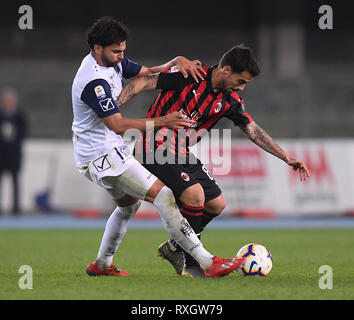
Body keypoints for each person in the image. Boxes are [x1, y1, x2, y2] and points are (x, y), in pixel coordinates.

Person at [115, 44, 311, 277]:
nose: (242, 87)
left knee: (216, 204)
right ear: (226, 70)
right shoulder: (189, 75)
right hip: (153, 146)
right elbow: (145, 82)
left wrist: (286, 157)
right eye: (241, 81)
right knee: (195, 195)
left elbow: (252, 130)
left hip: (181, 152)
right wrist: (113, 110)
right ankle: (192, 261)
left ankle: (175, 246)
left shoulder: (230, 101)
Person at [71, 16, 246, 278]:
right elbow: (117, 125)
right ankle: (207, 262)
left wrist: (174, 62)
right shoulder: (92, 82)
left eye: (123, 50)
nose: (121, 56)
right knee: (163, 195)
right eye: (116, 51)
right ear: (97, 49)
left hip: (104, 151)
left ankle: (102, 265)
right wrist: (163, 121)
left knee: (128, 206)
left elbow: (146, 72)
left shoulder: (112, 60)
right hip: (101, 155)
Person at [0, 88, 27, 215]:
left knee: (15, 182)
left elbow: (23, 133)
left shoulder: (19, 116)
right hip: (1, 155)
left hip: (14, 155)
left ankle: (16, 208)